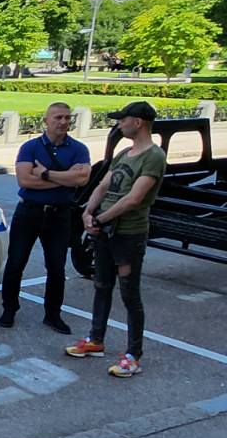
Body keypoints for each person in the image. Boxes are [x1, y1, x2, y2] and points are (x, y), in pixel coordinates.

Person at [66, 101, 166, 378]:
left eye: (123, 119)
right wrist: (88, 212)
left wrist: (101, 218)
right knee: (101, 285)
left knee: (129, 294)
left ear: (139, 122)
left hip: (128, 234)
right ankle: (96, 340)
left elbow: (134, 199)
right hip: (105, 230)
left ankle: (134, 354)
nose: (119, 124)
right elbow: (103, 185)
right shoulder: (125, 153)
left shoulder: (154, 157)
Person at [0, 102, 91, 333]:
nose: (63, 122)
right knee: (16, 263)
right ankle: (9, 309)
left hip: (60, 215)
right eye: (58, 117)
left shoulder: (79, 149)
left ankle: (53, 314)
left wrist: (47, 174)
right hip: (29, 212)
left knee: (57, 267)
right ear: (46, 120)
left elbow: (82, 180)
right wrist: (65, 177)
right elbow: (25, 180)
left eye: (67, 118)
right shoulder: (30, 147)